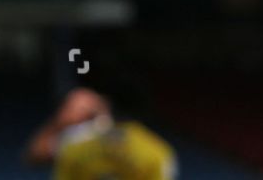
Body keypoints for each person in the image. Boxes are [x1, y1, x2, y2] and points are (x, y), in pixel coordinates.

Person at [42, 74, 177, 180]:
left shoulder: (74, 144)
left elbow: (34, 155)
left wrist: (62, 119)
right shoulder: (157, 153)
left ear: (105, 102)